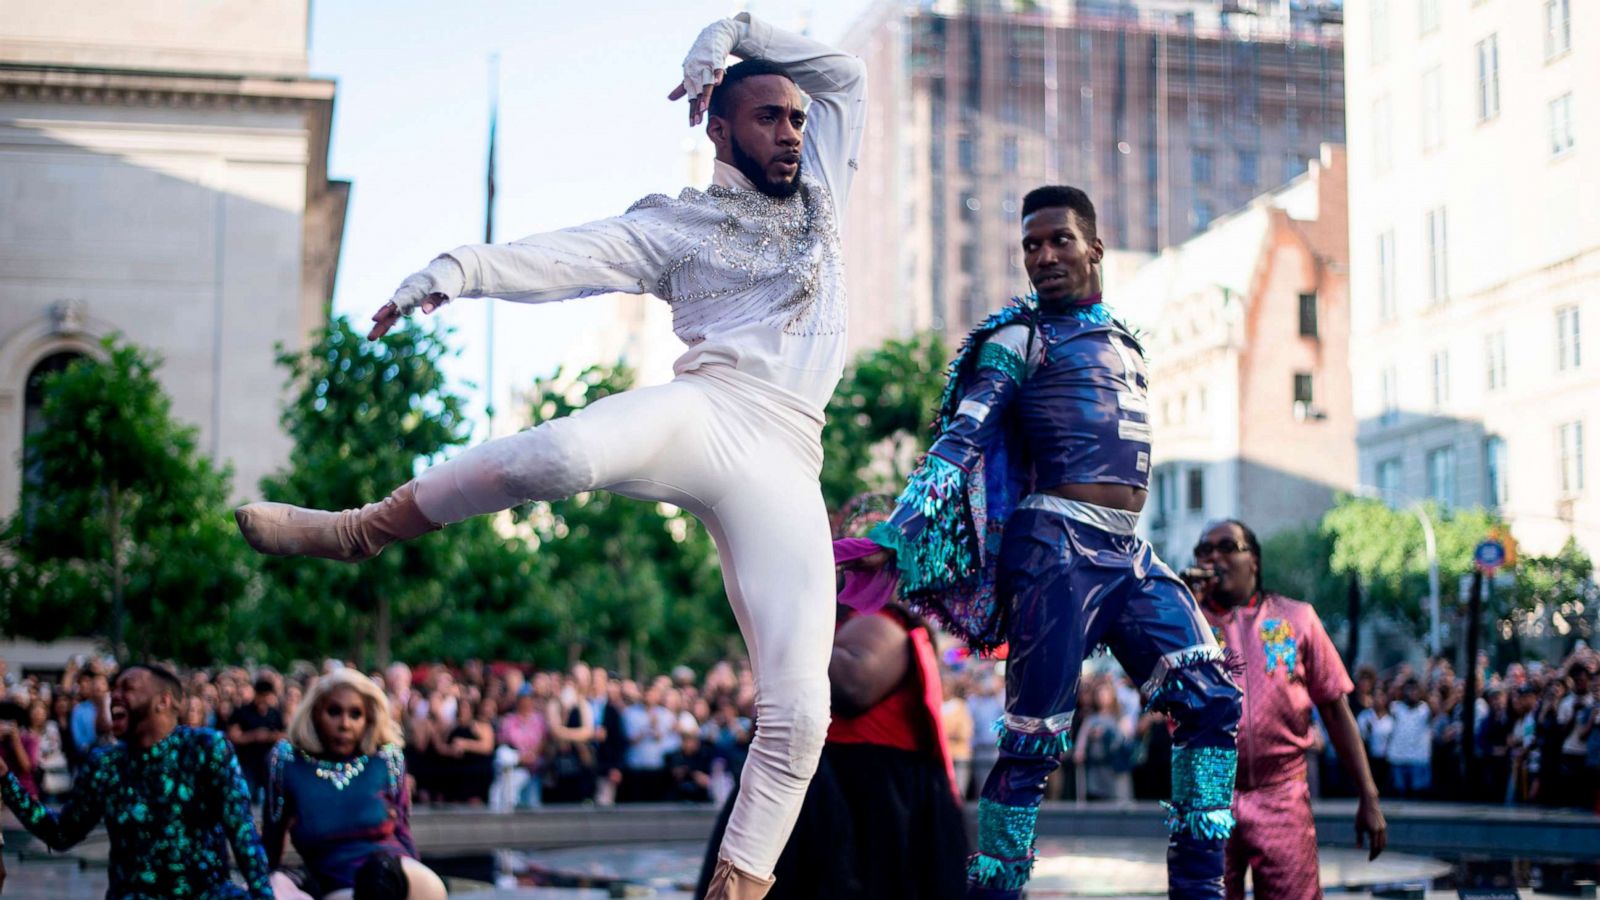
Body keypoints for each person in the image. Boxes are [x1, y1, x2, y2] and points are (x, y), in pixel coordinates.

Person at [234, 12, 865, 897]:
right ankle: (360, 529)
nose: (793, 132)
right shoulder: (676, 226)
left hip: (792, 451)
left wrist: (730, 31)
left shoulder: (825, 181)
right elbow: (570, 257)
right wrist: (454, 269)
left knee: (800, 717)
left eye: (797, 118)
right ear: (718, 128)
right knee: (561, 457)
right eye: (770, 117)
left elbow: (842, 75)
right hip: (708, 410)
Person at [852, 186, 1241, 899]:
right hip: (1054, 549)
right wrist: (898, 533)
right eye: (1031, 245)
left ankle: (1200, 890)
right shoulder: (1016, 339)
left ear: (1093, 245)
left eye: (1058, 239)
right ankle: (996, 892)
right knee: (1034, 739)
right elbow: (960, 441)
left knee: (1212, 698)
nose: (1043, 256)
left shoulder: (1124, 340)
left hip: (1129, 552)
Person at [1188, 519, 1387, 900]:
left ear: (1254, 561)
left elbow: (1334, 709)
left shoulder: (1297, 619)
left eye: (1227, 547)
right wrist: (1179, 609)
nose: (1213, 557)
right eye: (1204, 550)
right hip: (1204, 794)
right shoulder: (1185, 622)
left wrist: (1368, 796)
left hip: (1282, 796)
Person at [0, 664, 273, 898]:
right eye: (113, 689)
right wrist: (6, 780)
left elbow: (243, 835)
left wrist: (262, 896)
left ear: (163, 701)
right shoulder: (106, 764)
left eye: (127, 688)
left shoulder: (206, 748)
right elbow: (60, 833)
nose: (114, 696)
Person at [264, 669, 445, 900]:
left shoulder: (386, 759)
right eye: (334, 712)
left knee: (382, 874)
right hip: (337, 884)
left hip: (400, 876)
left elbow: (402, 831)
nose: (345, 724)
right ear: (316, 712)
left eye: (355, 714)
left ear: (368, 718)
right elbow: (272, 839)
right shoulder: (287, 761)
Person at [229, 676, 287, 803]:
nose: (264, 699)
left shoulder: (275, 714)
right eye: (262, 695)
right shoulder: (242, 712)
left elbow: (284, 735)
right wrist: (253, 736)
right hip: (247, 765)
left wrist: (269, 736)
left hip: (268, 765)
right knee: (245, 798)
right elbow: (233, 736)